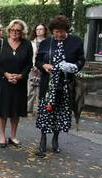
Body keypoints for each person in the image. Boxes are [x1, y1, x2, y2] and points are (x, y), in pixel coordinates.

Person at [35, 15, 85, 157]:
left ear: (66, 30)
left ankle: (55, 139)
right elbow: (38, 61)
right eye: (56, 31)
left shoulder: (75, 42)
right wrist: (44, 65)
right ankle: (43, 139)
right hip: (48, 85)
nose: (58, 34)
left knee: (60, 113)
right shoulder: (46, 43)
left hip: (65, 85)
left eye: (61, 31)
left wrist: (74, 67)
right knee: (45, 112)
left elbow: (81, 60)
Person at [0, 19, 33, 148]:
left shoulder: (27, 45)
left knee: (16, 110)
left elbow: (29, 64)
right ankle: (2, 136)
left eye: (18, 31)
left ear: (22, 32)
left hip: (19, 83)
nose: (15, 32)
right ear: (8, 31)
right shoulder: (1, 43)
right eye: (12, 30)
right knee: (2, 110)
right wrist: (6, 74)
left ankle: (13, 136)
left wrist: (20, 76)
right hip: (3, 82)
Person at [27, 23, 48, 114]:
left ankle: (41, 109)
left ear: (45, 31)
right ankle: (28, 109)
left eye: (41, 29)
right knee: (30, 89)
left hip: (44, 68)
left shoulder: (48, 42)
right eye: (37, 29)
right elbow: (28, 55)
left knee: (41, 89)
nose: (39, 31)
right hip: (32, 68)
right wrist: (32, 65)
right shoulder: (31, 42)